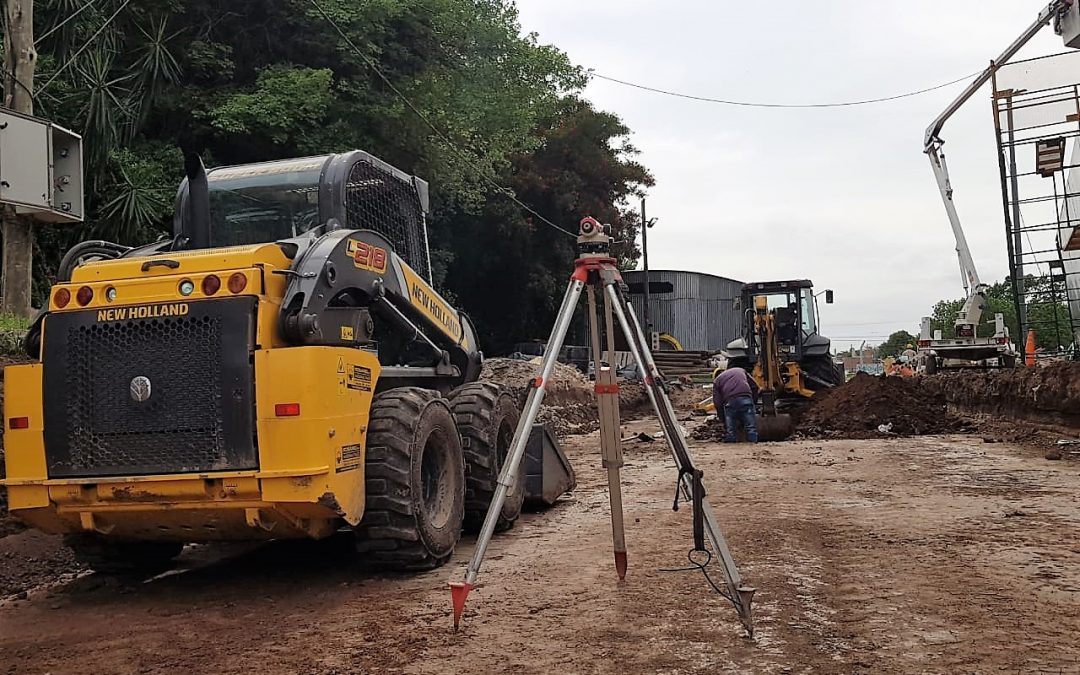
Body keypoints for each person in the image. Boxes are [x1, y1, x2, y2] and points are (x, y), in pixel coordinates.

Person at [712, 367, 760, 443]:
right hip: (746, 397)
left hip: (730, 401)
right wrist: (753, 402)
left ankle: (732, 442)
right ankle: (753, 442)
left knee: (731, 428)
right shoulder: (740, 370)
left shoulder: (717, 380)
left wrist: (722, 418)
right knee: (751, 426)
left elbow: (717, 403)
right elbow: (755, 387)